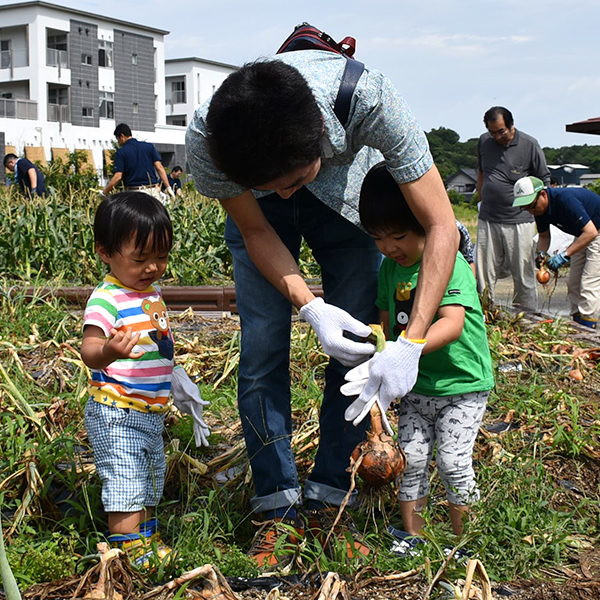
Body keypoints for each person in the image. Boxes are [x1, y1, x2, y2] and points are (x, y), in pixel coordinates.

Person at [186, 51, 458, 568]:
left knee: (356, 354)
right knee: (263, 349)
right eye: (275, 187)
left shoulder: (371, 100)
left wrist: (414, 339)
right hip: (260, 220)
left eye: (293, 180)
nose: (288, 194)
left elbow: (441, 223)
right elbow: (257, 229)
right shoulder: (207, 142)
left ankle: (333, 499)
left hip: (346, 206)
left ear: (323, 140)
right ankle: (276, 506)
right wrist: (311, 307)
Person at [344, 163, 494, 555]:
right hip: (415, 388)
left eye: (399, 236)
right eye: (378, 238)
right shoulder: (390, 270)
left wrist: (405, 349)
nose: (390, 247)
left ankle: (467, 542)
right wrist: (378, 355)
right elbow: (383, 320)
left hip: (462, 386)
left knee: (451, 461)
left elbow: (452, 324)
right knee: (410, 460)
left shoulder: (451, 266)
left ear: (429, 227)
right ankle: (414, 538)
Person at [80, 192, 209, 568]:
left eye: (162, 257)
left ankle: (146, 543)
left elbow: (158, 345)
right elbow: (89, 349)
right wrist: (109, 352)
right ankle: (126, 550)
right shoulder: (107, 299)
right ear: (105, 251)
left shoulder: (149, 294)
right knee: (125, 478)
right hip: (116, 408)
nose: (153, 267)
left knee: (149, 476)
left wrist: (175, 375)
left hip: (149, 410)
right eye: (141, 259)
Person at [476, 106, 550, 311]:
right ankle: (484, 314)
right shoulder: (484, 141)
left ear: (511, 125)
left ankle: (526, 316)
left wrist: (536, 208)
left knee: (523, 274)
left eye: (501, 131)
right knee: (483, 273)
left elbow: (544, 180)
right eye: (493, 132)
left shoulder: (529, 144)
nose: (497, 136)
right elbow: (481, 172)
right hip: (488, 218)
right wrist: (480, 200)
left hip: (520, 220)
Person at [513, 176, 600, 329]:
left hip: (595, 232)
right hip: (584, 234)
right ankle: (577, 325)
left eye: (532, 206)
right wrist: (540, 253)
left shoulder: (565, 200)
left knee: (588, 283)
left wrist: (564, 255)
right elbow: (544, 236)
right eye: (526, 208)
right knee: (574, 283)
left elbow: (591, 232)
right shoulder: (540, 211)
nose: (531, 211)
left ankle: (588, 331)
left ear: (543, 195)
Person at [102, 124, 174, 201]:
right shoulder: (149, 147)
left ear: (122, 136)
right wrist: (168, 187)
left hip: (134, 193)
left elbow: (118, 176)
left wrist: (104, 192)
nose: (118, 142)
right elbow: (159, 167)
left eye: (118, 139)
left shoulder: (121, 152)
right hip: (152, 191)